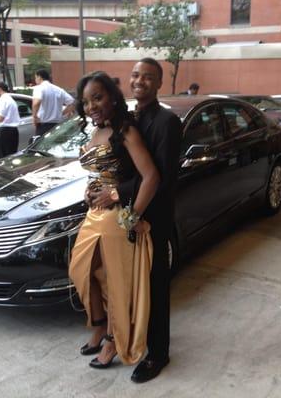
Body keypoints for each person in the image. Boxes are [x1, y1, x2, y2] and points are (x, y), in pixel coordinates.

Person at [89, 58, 182, 383]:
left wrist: (121, 199)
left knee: (155, 287)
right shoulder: (128, 118)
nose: (140, 81)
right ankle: (123, 337)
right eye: (135, 75)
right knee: (128, 284)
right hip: (125, 215)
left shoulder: (167, 122)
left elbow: (161, 177)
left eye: (148, 77)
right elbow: (122, 166)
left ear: (159, 83)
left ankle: (158, 353)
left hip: (152, 217)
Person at [68, 71, 160, 369]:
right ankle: (99, 324)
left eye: (97, 97)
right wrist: (91, 187)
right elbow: (101, 171)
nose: (91, 106)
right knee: (82, 270)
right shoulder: (95, 131)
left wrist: (132, 213)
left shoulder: (125, 131)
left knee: (115, 281)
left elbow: (150, 177)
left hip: (116, 218)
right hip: (93, 214)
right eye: (86, 102)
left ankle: (112, 340)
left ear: (112, 97)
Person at [32, 69, 75, 136]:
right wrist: (61, 114)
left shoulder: (39, 88)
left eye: (35, 77)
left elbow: (36, 103)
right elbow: (72, 103)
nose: (35, 80)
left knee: (41, 145)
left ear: (39, 77)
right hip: (57, 125)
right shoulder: (58, 89)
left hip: (44, 125)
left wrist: (35, 117)